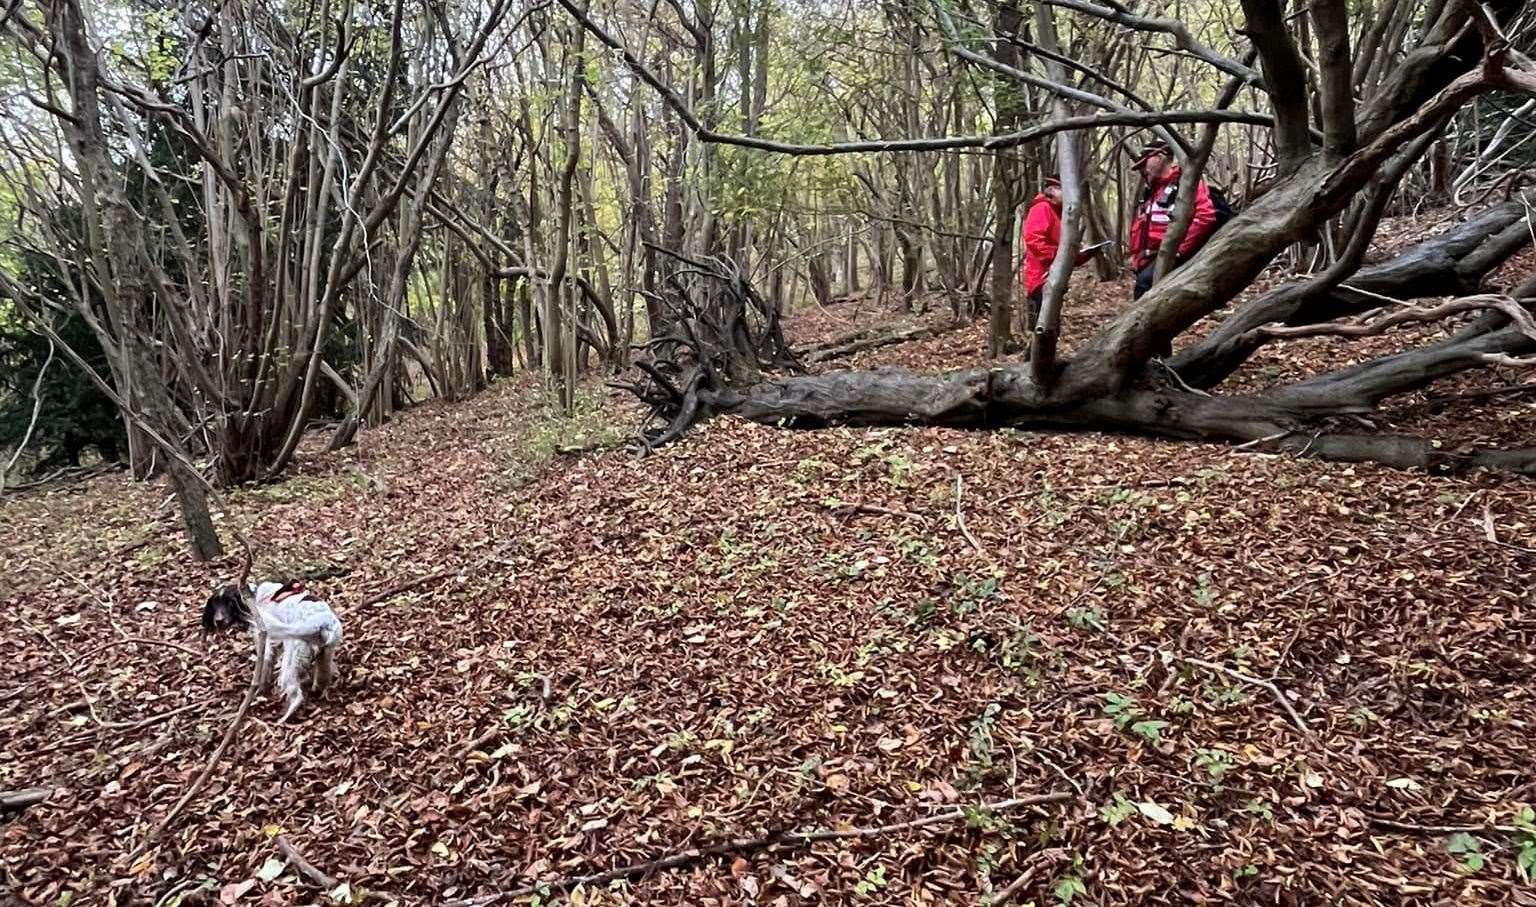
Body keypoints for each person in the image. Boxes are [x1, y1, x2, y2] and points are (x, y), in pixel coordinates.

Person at [1127, 140, 1216, 299]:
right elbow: (1144, 229)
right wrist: (1137, 258)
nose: (1142, 169)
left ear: (1159, 157)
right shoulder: (1153, 191)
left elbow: (1205, 216)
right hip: (1150, 260)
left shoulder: (1186, 183)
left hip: (1171, 258)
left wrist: (1178, 252)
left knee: (1144, 288)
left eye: (1144, 163)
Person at [1020, 177, 1102, 318]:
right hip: (1041, 280)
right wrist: (1058, 257)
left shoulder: (1061, 215)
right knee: (1043, 326)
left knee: (1052, 324)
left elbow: (1066, 252)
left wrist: (1085, 254)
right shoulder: (1042, 208)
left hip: (1055, 278)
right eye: (1065, 190)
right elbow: (1034, 240)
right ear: (1053, 190)